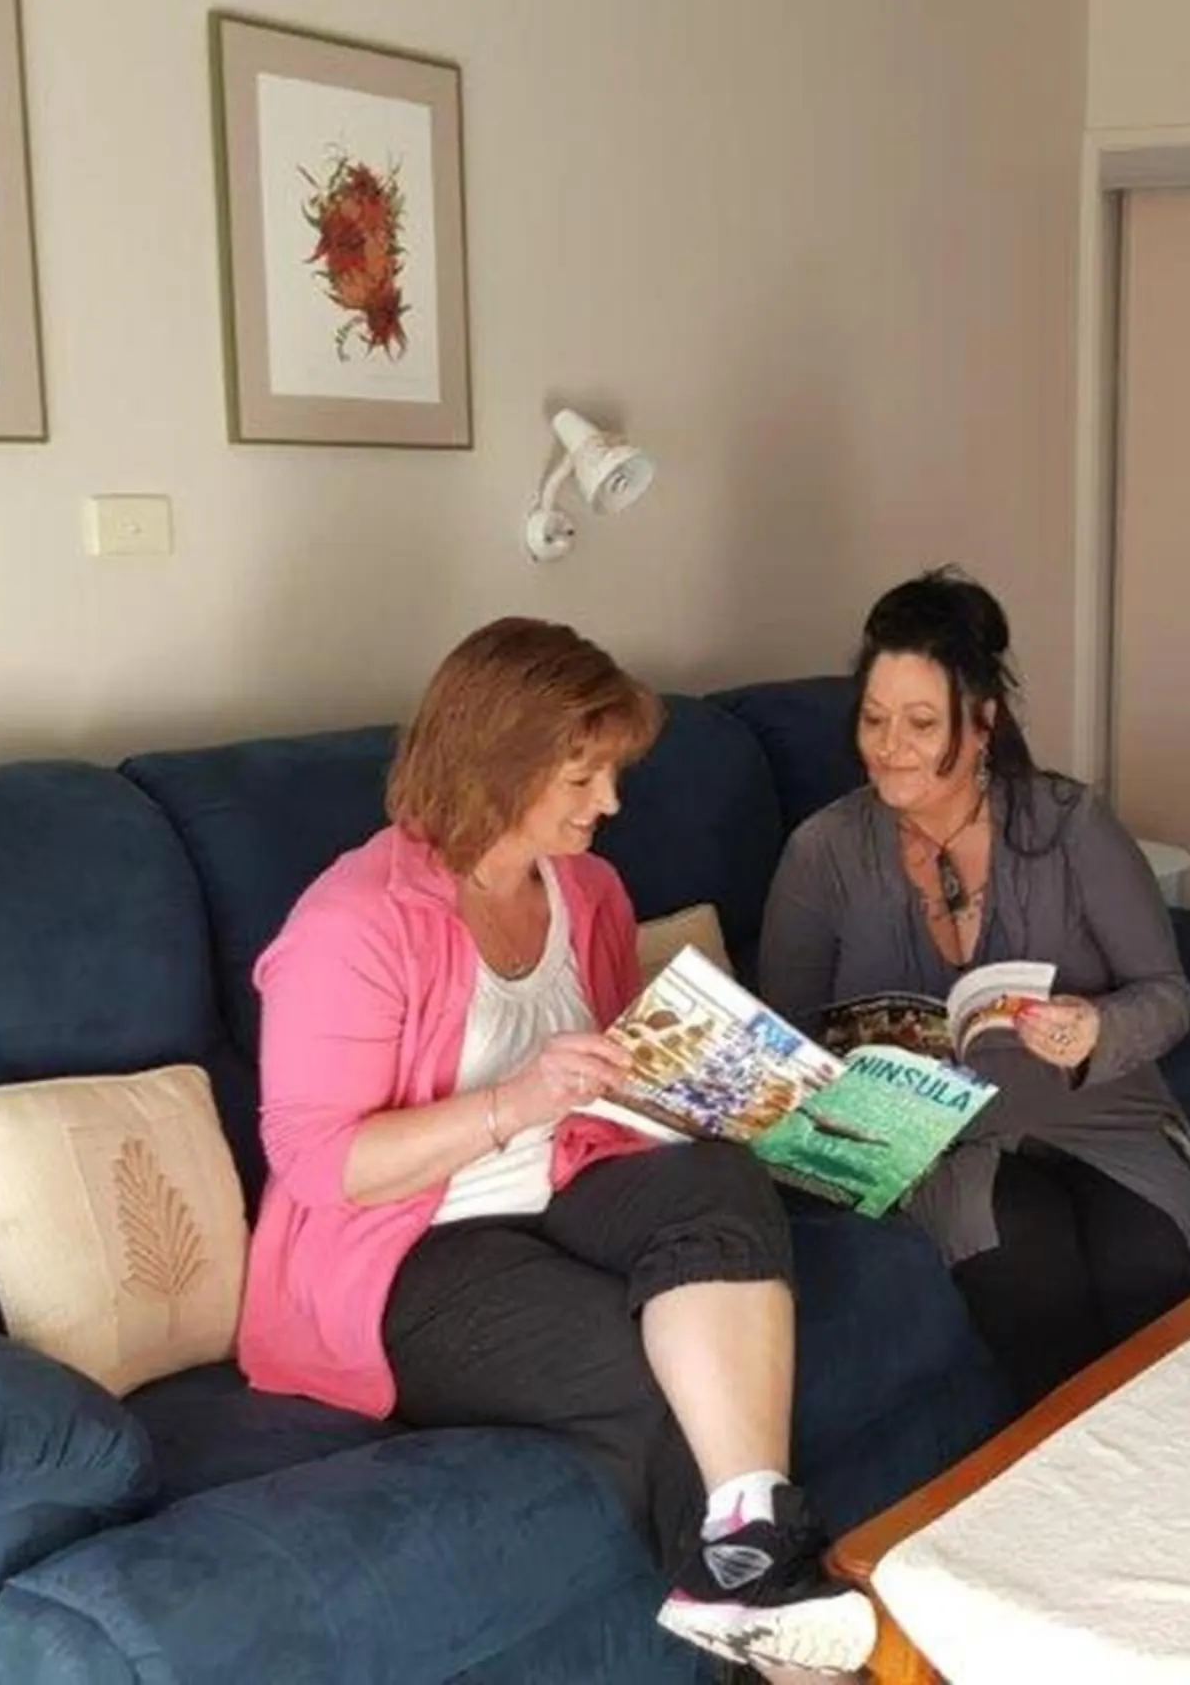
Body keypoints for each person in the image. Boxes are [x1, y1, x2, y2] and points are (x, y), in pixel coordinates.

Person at [235, 617, 872, 1678]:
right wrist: (515, 1099)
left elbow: (605, 1076)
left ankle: (752, 1541)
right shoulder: (354, 924)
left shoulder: (587, 891)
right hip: (405, 1245)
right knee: (661, 1377)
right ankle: (777, 1645)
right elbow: (320, 1165)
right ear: (494, 761)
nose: (609, 802)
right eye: (582, 778)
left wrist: (714, 1091)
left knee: (718, 1182)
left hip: (565, 1176)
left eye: (612, 773)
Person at [757, 569, 1190, 1403]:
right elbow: (787, 1044)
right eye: (872, 719)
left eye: (921, 723)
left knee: (1153, 1267)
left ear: (983, 724)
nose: (889, 746)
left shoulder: (1070, 825)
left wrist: (1096, 1027)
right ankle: (1066, 1470)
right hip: (940, 1144)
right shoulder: (822, 852)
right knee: (1028, 1264)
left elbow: (1166, 991)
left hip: (1098, 1113)